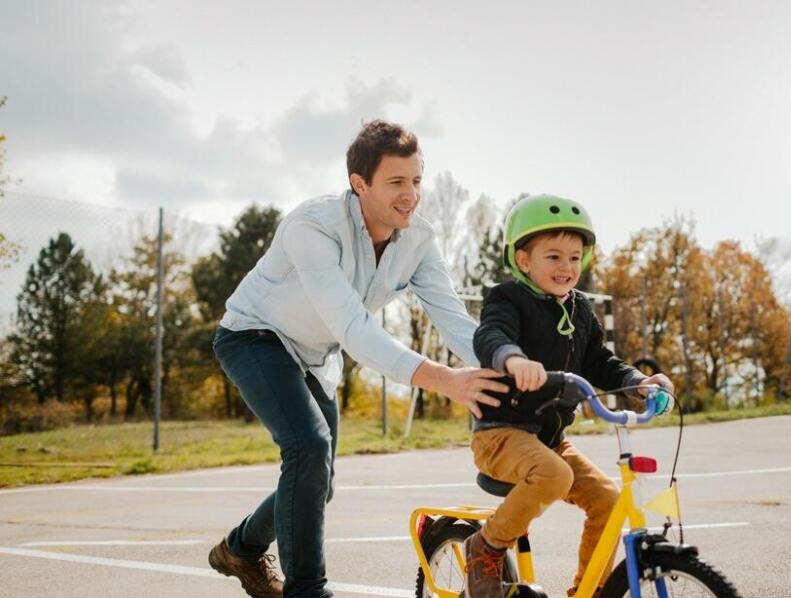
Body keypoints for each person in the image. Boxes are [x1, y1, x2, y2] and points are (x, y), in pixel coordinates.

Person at [207, 120, 508, 598]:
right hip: (253, 336)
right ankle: (308, 591)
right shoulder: (314, 226)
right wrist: (444, 379)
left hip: (313, 354)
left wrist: (508, 364)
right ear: (359, 184)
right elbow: (353, 328)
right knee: (307, 448)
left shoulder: (418, 240)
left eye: (416, 181)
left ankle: (240, 548)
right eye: (395, 182)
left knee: (316, 483)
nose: (410, 195)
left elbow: (454, 320)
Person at [466, 194, 674, 597]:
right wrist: (511, 358)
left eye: (575, 258)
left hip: (550, 438)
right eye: (554, 257)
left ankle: (589, 590)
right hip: (500, 433)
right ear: (524, 261)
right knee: (555, 476)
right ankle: (485, 547)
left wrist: (637, 381)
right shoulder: (508, 299)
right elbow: (490, 334)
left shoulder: (580, 311)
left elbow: (599, 361)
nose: (567, 268)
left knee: (609, 499)